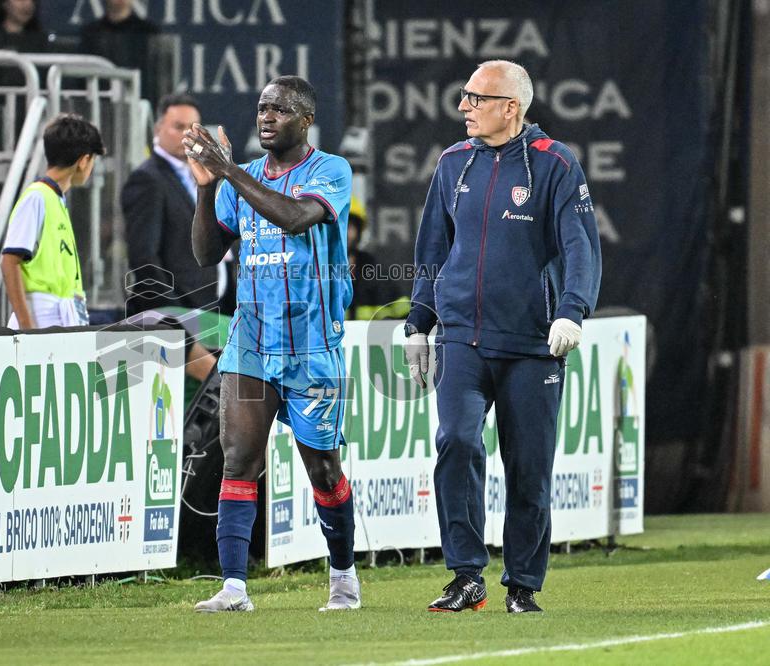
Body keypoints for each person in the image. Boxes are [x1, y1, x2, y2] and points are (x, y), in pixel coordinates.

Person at [405, 60, 601, 613]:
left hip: (533, 345)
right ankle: (466, 575)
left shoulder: (556, 164)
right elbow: (431, 251)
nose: (463, 107)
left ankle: (522, 586)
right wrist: (418, 324)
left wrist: (572, 311)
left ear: (509, 107)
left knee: (529, 469)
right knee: (456, 441)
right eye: (464, 97)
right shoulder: (451, 164)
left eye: (475, 98)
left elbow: (581, 247)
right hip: (462, 340)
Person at [185, 75, 359, 612]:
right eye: (261, 107)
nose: (265, 117)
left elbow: (295, 216)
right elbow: (205, 254)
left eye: (279, 110)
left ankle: (343, 575)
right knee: (238, 458)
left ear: (305, 120)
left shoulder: (331, 171)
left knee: (322, 470)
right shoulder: (245, 178)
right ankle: (234, 587)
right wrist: (206, 185)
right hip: (252, 341)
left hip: (312, 344)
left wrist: (229, 172)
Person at [123, 94, 230, 316]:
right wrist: (176, 319)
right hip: (181, 315)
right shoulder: (147, 180)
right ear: (158, 129)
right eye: (178, 127)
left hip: (214, 309)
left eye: (192, 128)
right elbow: (144, 260)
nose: (186, 135)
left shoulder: (200, 175)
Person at [0, 113, 104, 329]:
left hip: (60, 318)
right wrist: (27, 326)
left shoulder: (54, 198)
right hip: (40, 319)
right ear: (84, 161)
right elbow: (10, 261)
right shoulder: (37, 197)